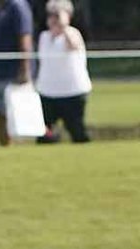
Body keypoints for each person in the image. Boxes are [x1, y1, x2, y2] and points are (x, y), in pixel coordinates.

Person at [35, 0, 92, 144]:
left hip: (72, 92)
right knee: (44, 134)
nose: (53, 19)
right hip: (48, 92)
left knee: (77, 131)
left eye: (57, 15)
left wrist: (64, 26)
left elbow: (73, 45)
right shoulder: (44, 37)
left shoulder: (73, 33)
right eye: (51, 15)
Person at [0, 0, 33, 146]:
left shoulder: (17, 6)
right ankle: (4, 146)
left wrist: (24, 69)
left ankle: (16, 147)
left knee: (14, 113)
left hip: (13, 70)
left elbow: (25, 37)